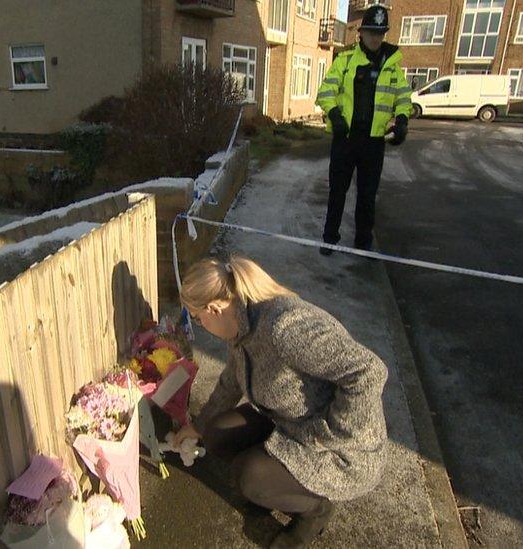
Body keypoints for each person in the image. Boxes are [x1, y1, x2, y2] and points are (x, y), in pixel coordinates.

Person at [174, 255, 388, 548]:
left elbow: (369, 373)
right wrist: (197, 426)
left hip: (341, 447)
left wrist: (326, 434)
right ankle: (279, 484)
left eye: (197, 319)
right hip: (289, 419)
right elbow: (232, 379)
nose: (199, 326)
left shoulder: (283, 327)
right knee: (215, 434)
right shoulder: (241, 319)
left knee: (248, 476)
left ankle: (316, 510)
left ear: (213, 308)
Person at [314, 5, 412, 253]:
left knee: (367, 195)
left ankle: (363, 242)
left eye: (380, 33)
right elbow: (326, 92)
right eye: (371, 32)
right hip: (346, 138)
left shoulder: (391, 65)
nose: (375, 38)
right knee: (337, 191)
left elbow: (403, 97)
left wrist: (402, 121)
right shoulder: (345, 61)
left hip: (373, 141)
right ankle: (330, 238)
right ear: (361, 33)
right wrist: (334, 114)